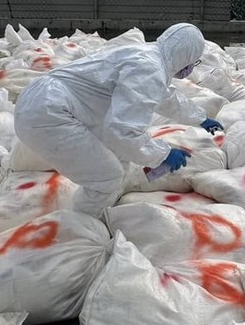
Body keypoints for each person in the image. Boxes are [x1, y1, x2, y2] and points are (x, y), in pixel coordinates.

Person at [13, 23, 224, 218]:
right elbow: (123, 130)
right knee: (107, 177)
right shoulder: (149, 68)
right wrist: (162, 154)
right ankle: (79, 231)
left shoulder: (148, 56)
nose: (190, 69)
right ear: (185, 56)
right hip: (50, 112)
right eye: (193, 62)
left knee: (119, 159)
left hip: (49, 103)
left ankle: (97, 215)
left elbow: (166, 97)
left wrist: (201, 118)